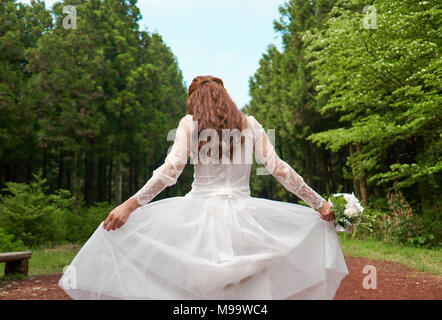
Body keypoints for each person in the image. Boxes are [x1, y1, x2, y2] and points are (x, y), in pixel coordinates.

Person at [58, 75, 348, 300]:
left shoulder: (189, 124)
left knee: (195, 292)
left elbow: (171, 171)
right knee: (246, 289)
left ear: (195, 100)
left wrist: (129, 205)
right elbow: (279, 169)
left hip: (197, 220)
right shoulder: (251, 125)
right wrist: (320, 203)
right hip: (246, 219)